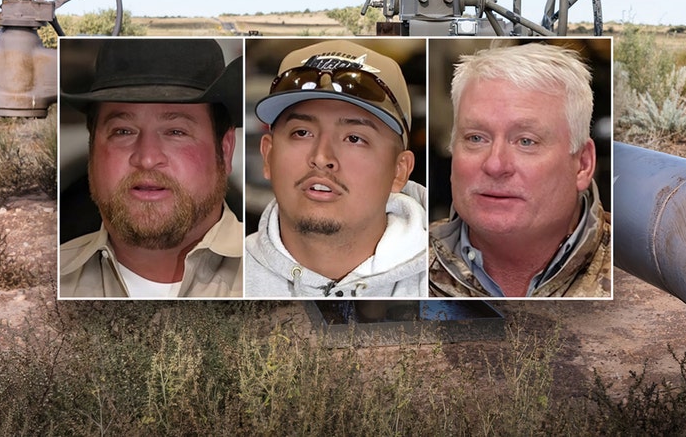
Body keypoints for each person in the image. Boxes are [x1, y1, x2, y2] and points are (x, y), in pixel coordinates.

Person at [58, 38, 243, 298]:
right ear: (92, 152)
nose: (146, 158)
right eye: (123, 131)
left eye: (176, 132)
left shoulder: (272, 278)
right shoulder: (49, 280)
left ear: (225, 150)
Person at [245, 40, 428, 297]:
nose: (321, 157)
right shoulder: (228, 280)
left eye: (354, 138)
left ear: (399, 171)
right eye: (302, 132)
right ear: (268, 156)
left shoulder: (447, 281)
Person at [429, 42, 611, 298]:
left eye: (526, 141)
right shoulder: (405, 265)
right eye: (476, 138)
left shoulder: (641, 269)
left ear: (582, 164)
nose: (494, 165)